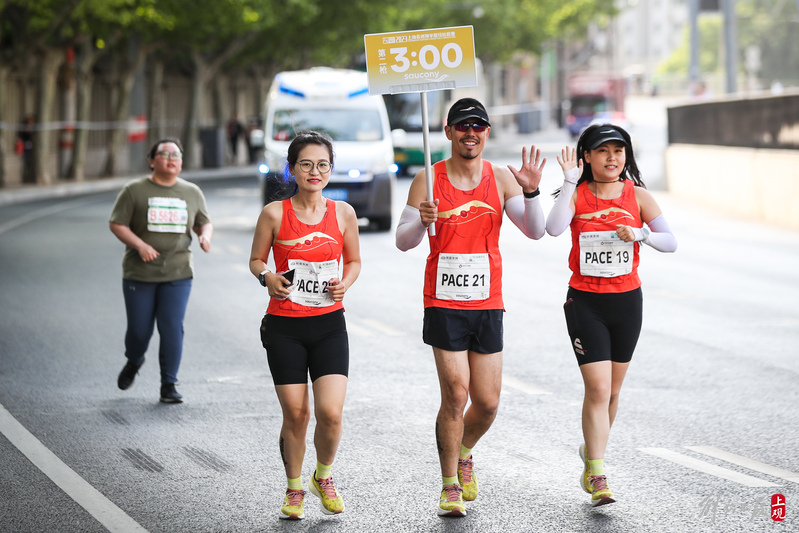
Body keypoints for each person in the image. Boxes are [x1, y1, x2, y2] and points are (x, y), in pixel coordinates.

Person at [395, 97, 546, 517]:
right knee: (455, 392)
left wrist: (531, 190)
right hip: (443, 301)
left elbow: (535, 231)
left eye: (478, 126)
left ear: (486, 133)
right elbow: (403, 240)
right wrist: (420, 221)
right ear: (448, 132)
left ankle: (463, 451)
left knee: (488, 402)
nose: (470, 132)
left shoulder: (499, 178)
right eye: (462, 126)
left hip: (487, 302)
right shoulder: (428, 179)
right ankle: (449, 486)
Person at [545, 124, 677, 506]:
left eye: (618, 151)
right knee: (599, 388)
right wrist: (569, 183)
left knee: (614, 391)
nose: (612, 158)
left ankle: (591, 453)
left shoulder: (637, 196)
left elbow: (671, 241)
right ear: (587, 156)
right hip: (586, 302)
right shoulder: (579, 194)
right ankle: (599, 473)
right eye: (603, 151)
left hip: (626, 301)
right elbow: (553, 229)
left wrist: (642, 235)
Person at [249, 131, 361, 520]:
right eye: (306, 164)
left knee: (330, 413)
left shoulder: (343, 213)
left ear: (331, 168)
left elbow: (354, 262)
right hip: (285, 327)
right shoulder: (274, 214)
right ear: (292, 169)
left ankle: (323, 476)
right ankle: (294, 487)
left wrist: (345, 283)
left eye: (323, 164)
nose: (315, 171)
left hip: (329, 324)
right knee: (296, 414)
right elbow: (256, 261)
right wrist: (268, 277)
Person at [109, 138, 213, 404]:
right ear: (152, 160)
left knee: (171, 327)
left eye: (176, 154)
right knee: (139, 331)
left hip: (178, 272)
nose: (171, 158)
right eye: (164, 154)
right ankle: (134, 360)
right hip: (139, 274)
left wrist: (204, 237)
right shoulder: (134, 190)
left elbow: (203, 222)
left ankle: (169, 383)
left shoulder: (191, 192)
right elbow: (117, 223)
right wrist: (140, 245)